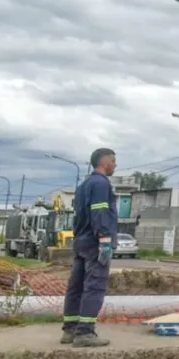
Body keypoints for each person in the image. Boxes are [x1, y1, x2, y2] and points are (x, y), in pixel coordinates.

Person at [61, 147, 118, 348]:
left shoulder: (84, 185)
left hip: (81, 241)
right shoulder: (101, 184)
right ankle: (85, 332)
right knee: (94, 285)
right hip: (95, 242)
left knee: (76, 286)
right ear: (104, 162)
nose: (115, 165)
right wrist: (104, 238)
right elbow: (100, 212)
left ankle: (70, 329)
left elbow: (79, 216)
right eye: (113, 161)